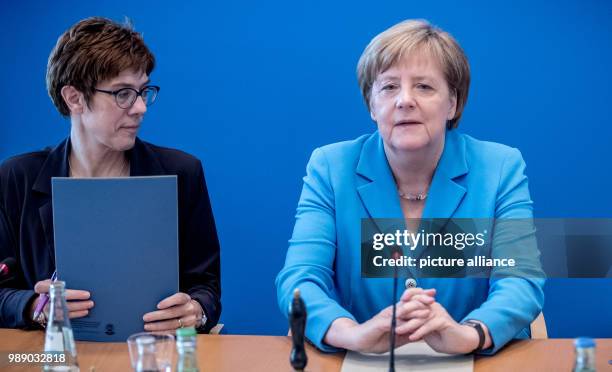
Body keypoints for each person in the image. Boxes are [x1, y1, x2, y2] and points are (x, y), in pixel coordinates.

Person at [276, 19, 544, 355]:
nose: (404, 100)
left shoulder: (500, 167)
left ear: (453, 103)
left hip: (473, 361)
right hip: (362, 362)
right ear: (372, 104)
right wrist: (352, 334)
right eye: (388, 87)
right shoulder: (330, 167)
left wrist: (468, 335)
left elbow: (520, 280)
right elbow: (299, 279)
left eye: (424, 87)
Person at [0, 17, 221, 333]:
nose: (140, 107)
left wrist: (196, 311)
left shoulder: (182, 173)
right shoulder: (16, 178)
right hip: (51, 358)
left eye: (144, 91)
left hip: (153, 353)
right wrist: (34, 307)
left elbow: (206, 286)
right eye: (123, 94)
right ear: (74, 98)